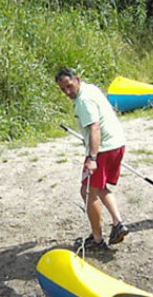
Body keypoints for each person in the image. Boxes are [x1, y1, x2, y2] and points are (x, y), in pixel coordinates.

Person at [55, 67, 129, 252]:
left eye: (69, 86)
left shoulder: (84, 101)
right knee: (99, 186)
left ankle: (97, 240)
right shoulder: (91, 88)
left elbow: (95, 128)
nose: (67, 92)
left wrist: (92, 158)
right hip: (117, 143)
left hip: (104, 149)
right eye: (63, 89)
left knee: (87, 191)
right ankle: (118, 223)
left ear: (77, 79)